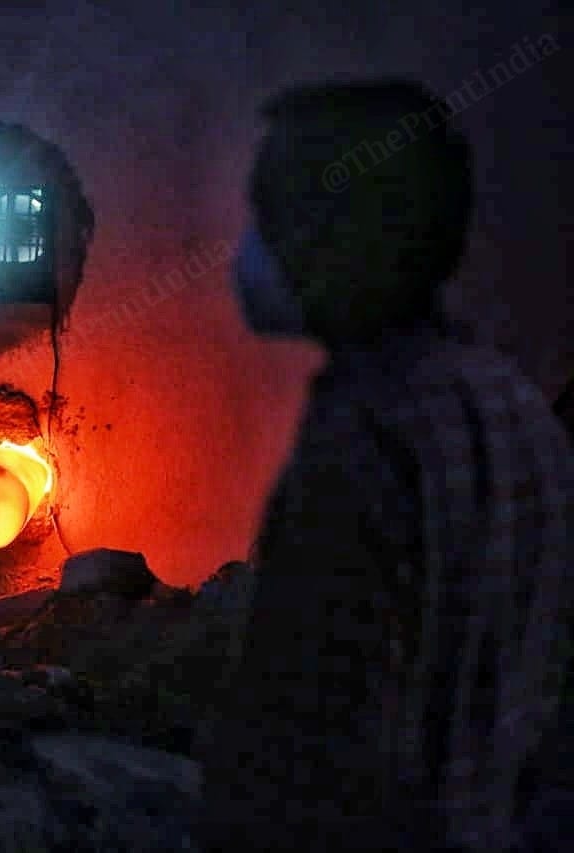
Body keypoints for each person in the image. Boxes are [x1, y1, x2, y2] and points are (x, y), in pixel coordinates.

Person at [194, 79, 574, 852]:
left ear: (343, 239)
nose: (249, 251)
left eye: (271, 219)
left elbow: (311, 745)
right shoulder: (512, 403)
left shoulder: (364, 435)